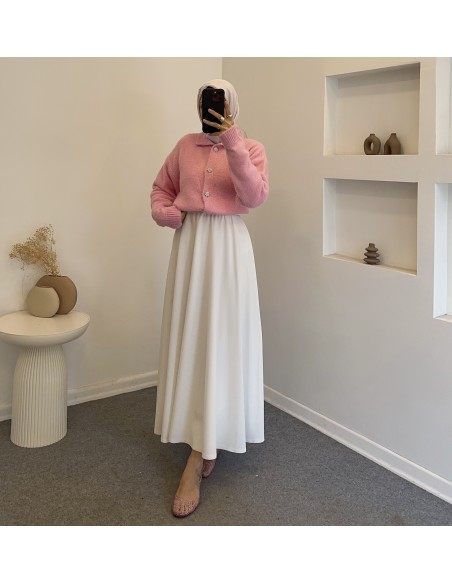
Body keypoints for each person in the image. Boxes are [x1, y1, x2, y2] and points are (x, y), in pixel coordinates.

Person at [150, 78, 269, 518]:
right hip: (191, 246)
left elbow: (254, 195)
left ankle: (201, 451)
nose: (209, 108)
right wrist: (167, 213)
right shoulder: (185, 146)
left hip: (228, 250)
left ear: (231, 105)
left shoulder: (250, 146)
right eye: (205, 102)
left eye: (217, 102)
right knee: (194, 336)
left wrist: (232, 141)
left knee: (223, 337)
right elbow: (160, 190)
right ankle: (199, 434)